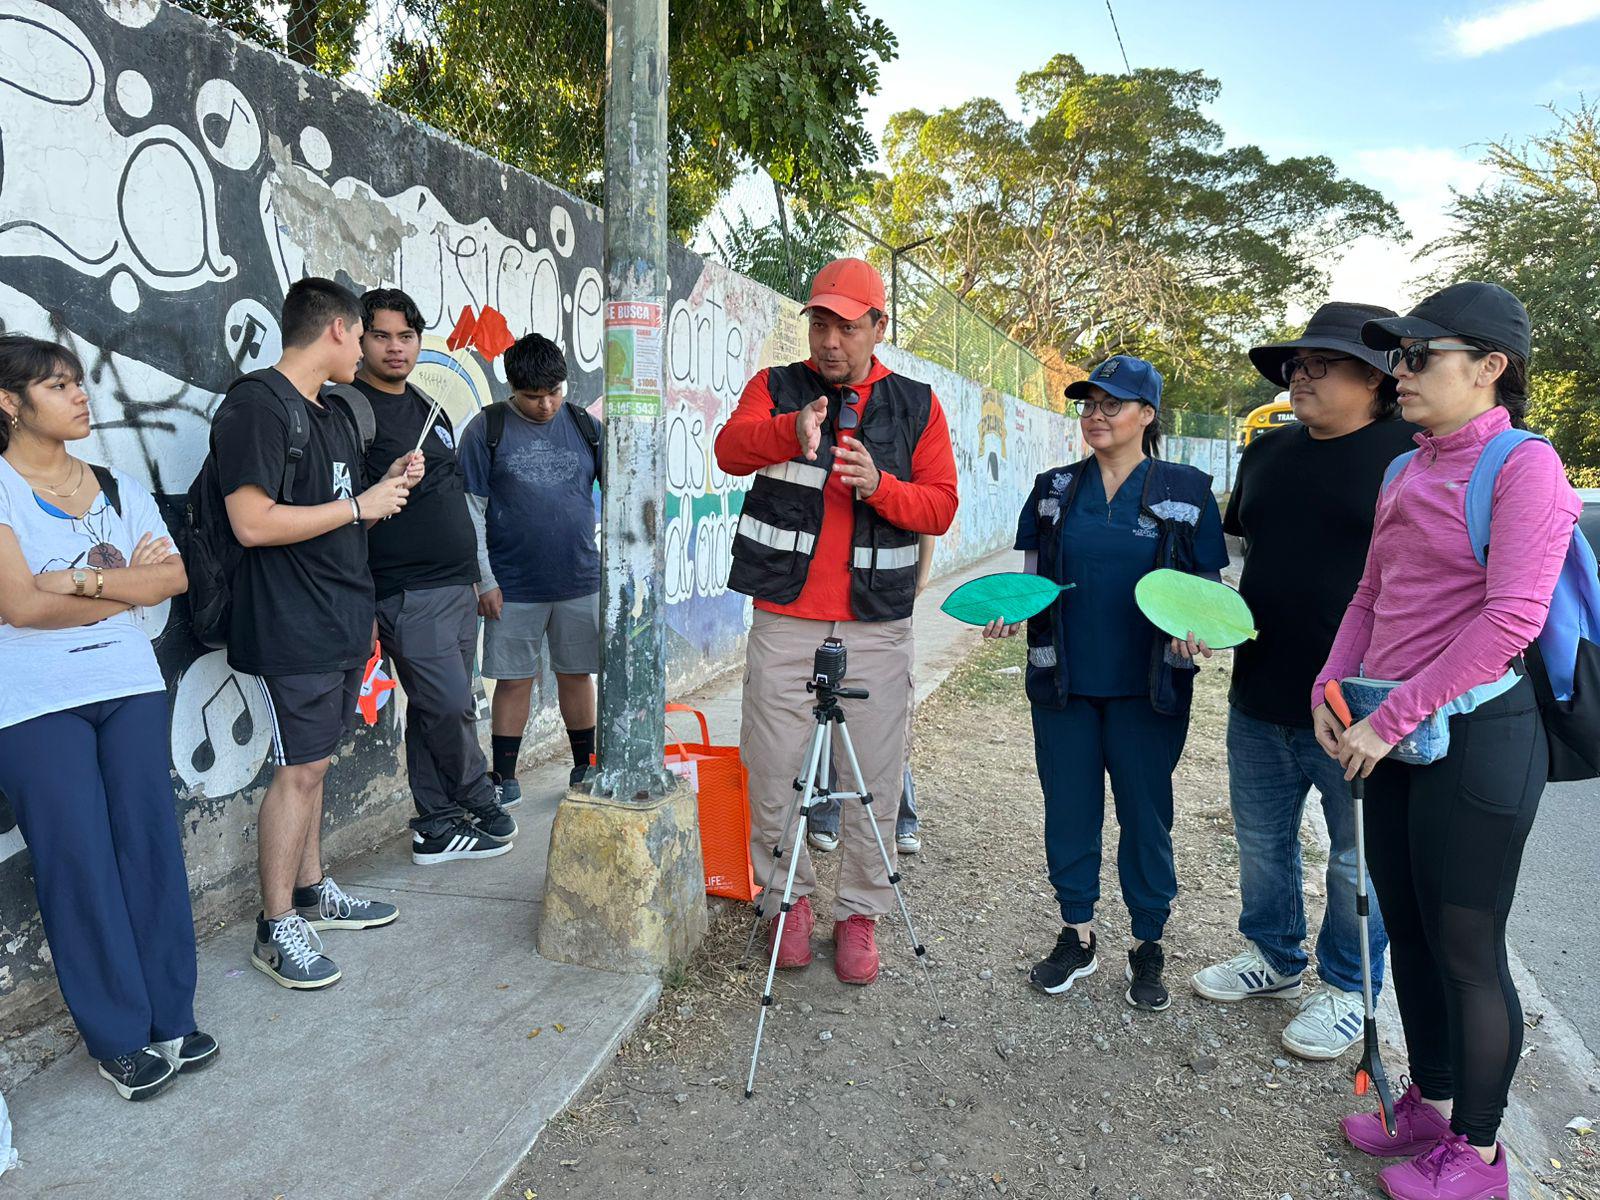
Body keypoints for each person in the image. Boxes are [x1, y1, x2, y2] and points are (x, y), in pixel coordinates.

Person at [1313, 282, 1578, 1200]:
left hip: (1476, 740)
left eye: (1421, 354)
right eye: (1399, 354)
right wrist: (1332, 687)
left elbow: (1510, 619)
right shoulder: (1404, 468)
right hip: (1390, 736)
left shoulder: (1524, 467)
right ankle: (1429, 1101)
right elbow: (1371, 599)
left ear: (1490, 367)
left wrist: (1387, 720)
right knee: (1412, 933)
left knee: (1467, 945)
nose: (1401, 370)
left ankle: (1481, 1151)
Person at [713, 257, 958, 986]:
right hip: (785, 620)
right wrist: (792, 430)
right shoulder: (777, 388)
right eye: (820, 323)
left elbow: (941, 505)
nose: (829, 340)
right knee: (773, 768)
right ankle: (785, 901)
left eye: (847, 327)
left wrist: (881, 488)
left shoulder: (916, 404)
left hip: (876, 624)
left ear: (878, 328)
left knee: (872, 777)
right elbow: (729, 451)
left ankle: (859, 914)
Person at [1189, 302, 1417, 1060]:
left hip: (1360, 704)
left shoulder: (1411, 457)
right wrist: (1204, 617)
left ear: (1379, 378)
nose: (1300, 376)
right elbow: (1237, 559)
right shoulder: (1266, 454)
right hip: (1259, 690)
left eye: (1321, 363)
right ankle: (1274, 957)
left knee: (1359, 859)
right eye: (1296, 364)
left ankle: (1350, 989)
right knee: (1262, 843)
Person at [0, 334, 217, 1100]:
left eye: (79, 382)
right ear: (9, 401)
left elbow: (175, 579)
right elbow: (17, 605)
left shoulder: (120, 487)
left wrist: (79, 581)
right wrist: (121, 580)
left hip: (129, 683)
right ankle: (119, 1037)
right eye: (58, 386)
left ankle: (172, 1016)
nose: (80, 396)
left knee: (151, 846)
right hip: (33, 703)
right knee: (78, 863)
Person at [991, 354, 1228, 1012]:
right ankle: (1078, 933)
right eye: (1088, 404)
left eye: (1112, 404)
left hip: (1148, 688)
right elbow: (1032, 580)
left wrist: (1196, 629)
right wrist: (1008, 613)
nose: (1095, 415)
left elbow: (1205, 593)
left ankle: (1148, 942)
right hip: (1063, 684)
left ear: (1147, 415)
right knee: (1068, 810)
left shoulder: (1186, 489)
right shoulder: (1053, 488)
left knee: (1146, 819)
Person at [213, 277, 417, 990]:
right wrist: (358, 506)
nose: (367, 348)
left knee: (316, 764)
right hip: (285, 624)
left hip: (336, 619)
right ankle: (276, 927)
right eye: (363, 334)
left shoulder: (330, 413)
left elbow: (336, 511)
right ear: (336, 329)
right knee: (297, 770)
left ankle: (310, 892)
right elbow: (252, 521)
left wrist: (384, 484)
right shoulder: (256, 408)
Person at [353, 288, 515, 865]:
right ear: (359, 337)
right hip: (403, 589)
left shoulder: (430, 406)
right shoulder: (350, 408)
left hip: (455, 585)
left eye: (406, 336)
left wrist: (475, 576)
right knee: (448, 704)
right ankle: (477, 792)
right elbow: (343, 506)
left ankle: (437, 825)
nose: (396, 348)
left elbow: (452, 494)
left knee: (432, 707)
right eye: (382, 336)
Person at [459, 334, 602, 801]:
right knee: (514, 679)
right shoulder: (487, 429)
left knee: (577, 674)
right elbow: (471, 511)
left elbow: (620, 490)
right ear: (512, 388)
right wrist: (485, 581)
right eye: (534, 396)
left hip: (579, 579)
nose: (546, 404)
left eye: (554, 392)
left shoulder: (583, 425)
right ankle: (505, 777)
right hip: (512, 586)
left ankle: (586, 768)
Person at [807, 532, 934, 856]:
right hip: (825, 604)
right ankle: (825, 816)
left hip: (882, 604)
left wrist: (921, 578)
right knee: (829, 706)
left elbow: (928, 522)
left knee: (886, 725)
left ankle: (903, 822)